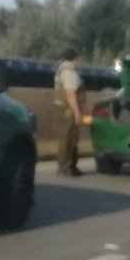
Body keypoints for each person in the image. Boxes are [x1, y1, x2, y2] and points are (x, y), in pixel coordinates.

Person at [53, 48, 85, 177]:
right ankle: (65, 167)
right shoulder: (69, 72)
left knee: (68, 137)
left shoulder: (60, 70)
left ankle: (71, 166)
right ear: (74, 59)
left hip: (61, 108)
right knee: (69, 139)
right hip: (69, 110)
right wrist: (77, 112)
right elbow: (70, 94)